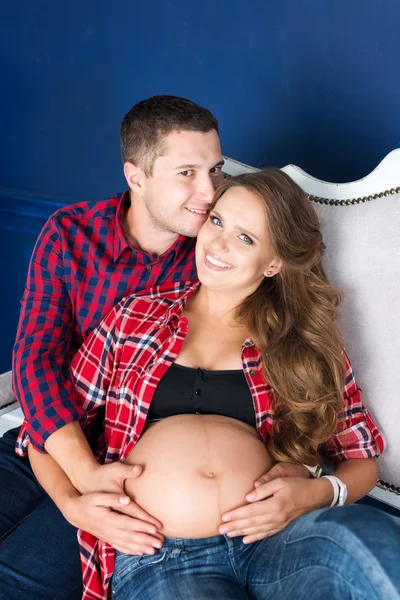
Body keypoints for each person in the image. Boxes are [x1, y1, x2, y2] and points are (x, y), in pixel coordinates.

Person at [29, 169, 400, 600]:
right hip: (160, 554)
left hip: (282, 540)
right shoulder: (136, 317)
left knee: (379, 550)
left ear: (276, 262)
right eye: (217, 221)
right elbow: (46, 433)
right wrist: (73, 508)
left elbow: (361, 461)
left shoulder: (302, 342)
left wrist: (311, 494)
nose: (218, 244)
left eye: (246, 239)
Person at [0, 95, 227, 600]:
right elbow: (34, 359)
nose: (210, 191)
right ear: (136, 176)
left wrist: (92, 492)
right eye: (187, 172)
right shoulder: (70, 234)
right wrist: (79, 477)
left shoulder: (216, 252)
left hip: (131, 465)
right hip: (48, 438)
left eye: (216, 168)